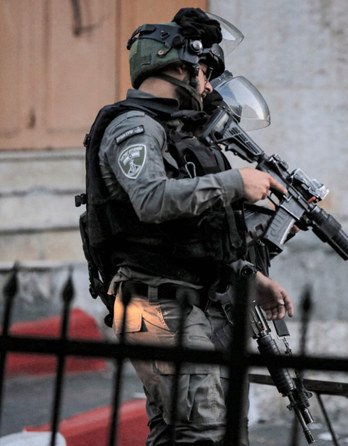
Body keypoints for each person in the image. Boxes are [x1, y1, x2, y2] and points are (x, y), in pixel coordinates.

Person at [82, 8, 294, 445]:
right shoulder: (134, 127)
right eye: (203, 72)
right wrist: (236, 183)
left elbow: (190, 236)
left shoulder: (177, 131)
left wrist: (248, 276)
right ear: (178, 67)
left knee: (195, 429)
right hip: (149, 303)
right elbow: (151, 199)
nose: (209, 85)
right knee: (205, 431)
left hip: (188, 300)